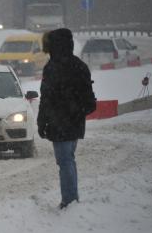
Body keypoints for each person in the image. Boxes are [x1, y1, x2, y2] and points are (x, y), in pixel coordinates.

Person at [37, 28, 94, 209]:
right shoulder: (80, 65)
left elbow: (46, 98)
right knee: (69, 158)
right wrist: (77, 111)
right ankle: (72, 197)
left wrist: (42, 122)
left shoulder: (52, 68)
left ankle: (69, 200)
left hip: (58, 121)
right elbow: (88, 98)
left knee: (65, 161)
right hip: (76, 121)